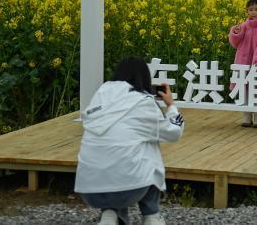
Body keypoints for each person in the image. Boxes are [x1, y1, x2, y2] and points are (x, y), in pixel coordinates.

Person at [75, 57, 184, 225]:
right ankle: (152, 216)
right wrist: (171, 106)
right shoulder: (143, 102)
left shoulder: (100, 96)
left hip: (88, 189)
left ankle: (110, 215)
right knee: (149, 147)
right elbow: (174, 132)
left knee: (117, 149)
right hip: (130, 189)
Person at [228, 0, 257, 128]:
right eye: (250, 9)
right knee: (244, 89)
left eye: (256, 9)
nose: (253, 12)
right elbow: (235, 43)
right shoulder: (244, 26)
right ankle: (246, 115)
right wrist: (235, 33)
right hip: (243, 63)